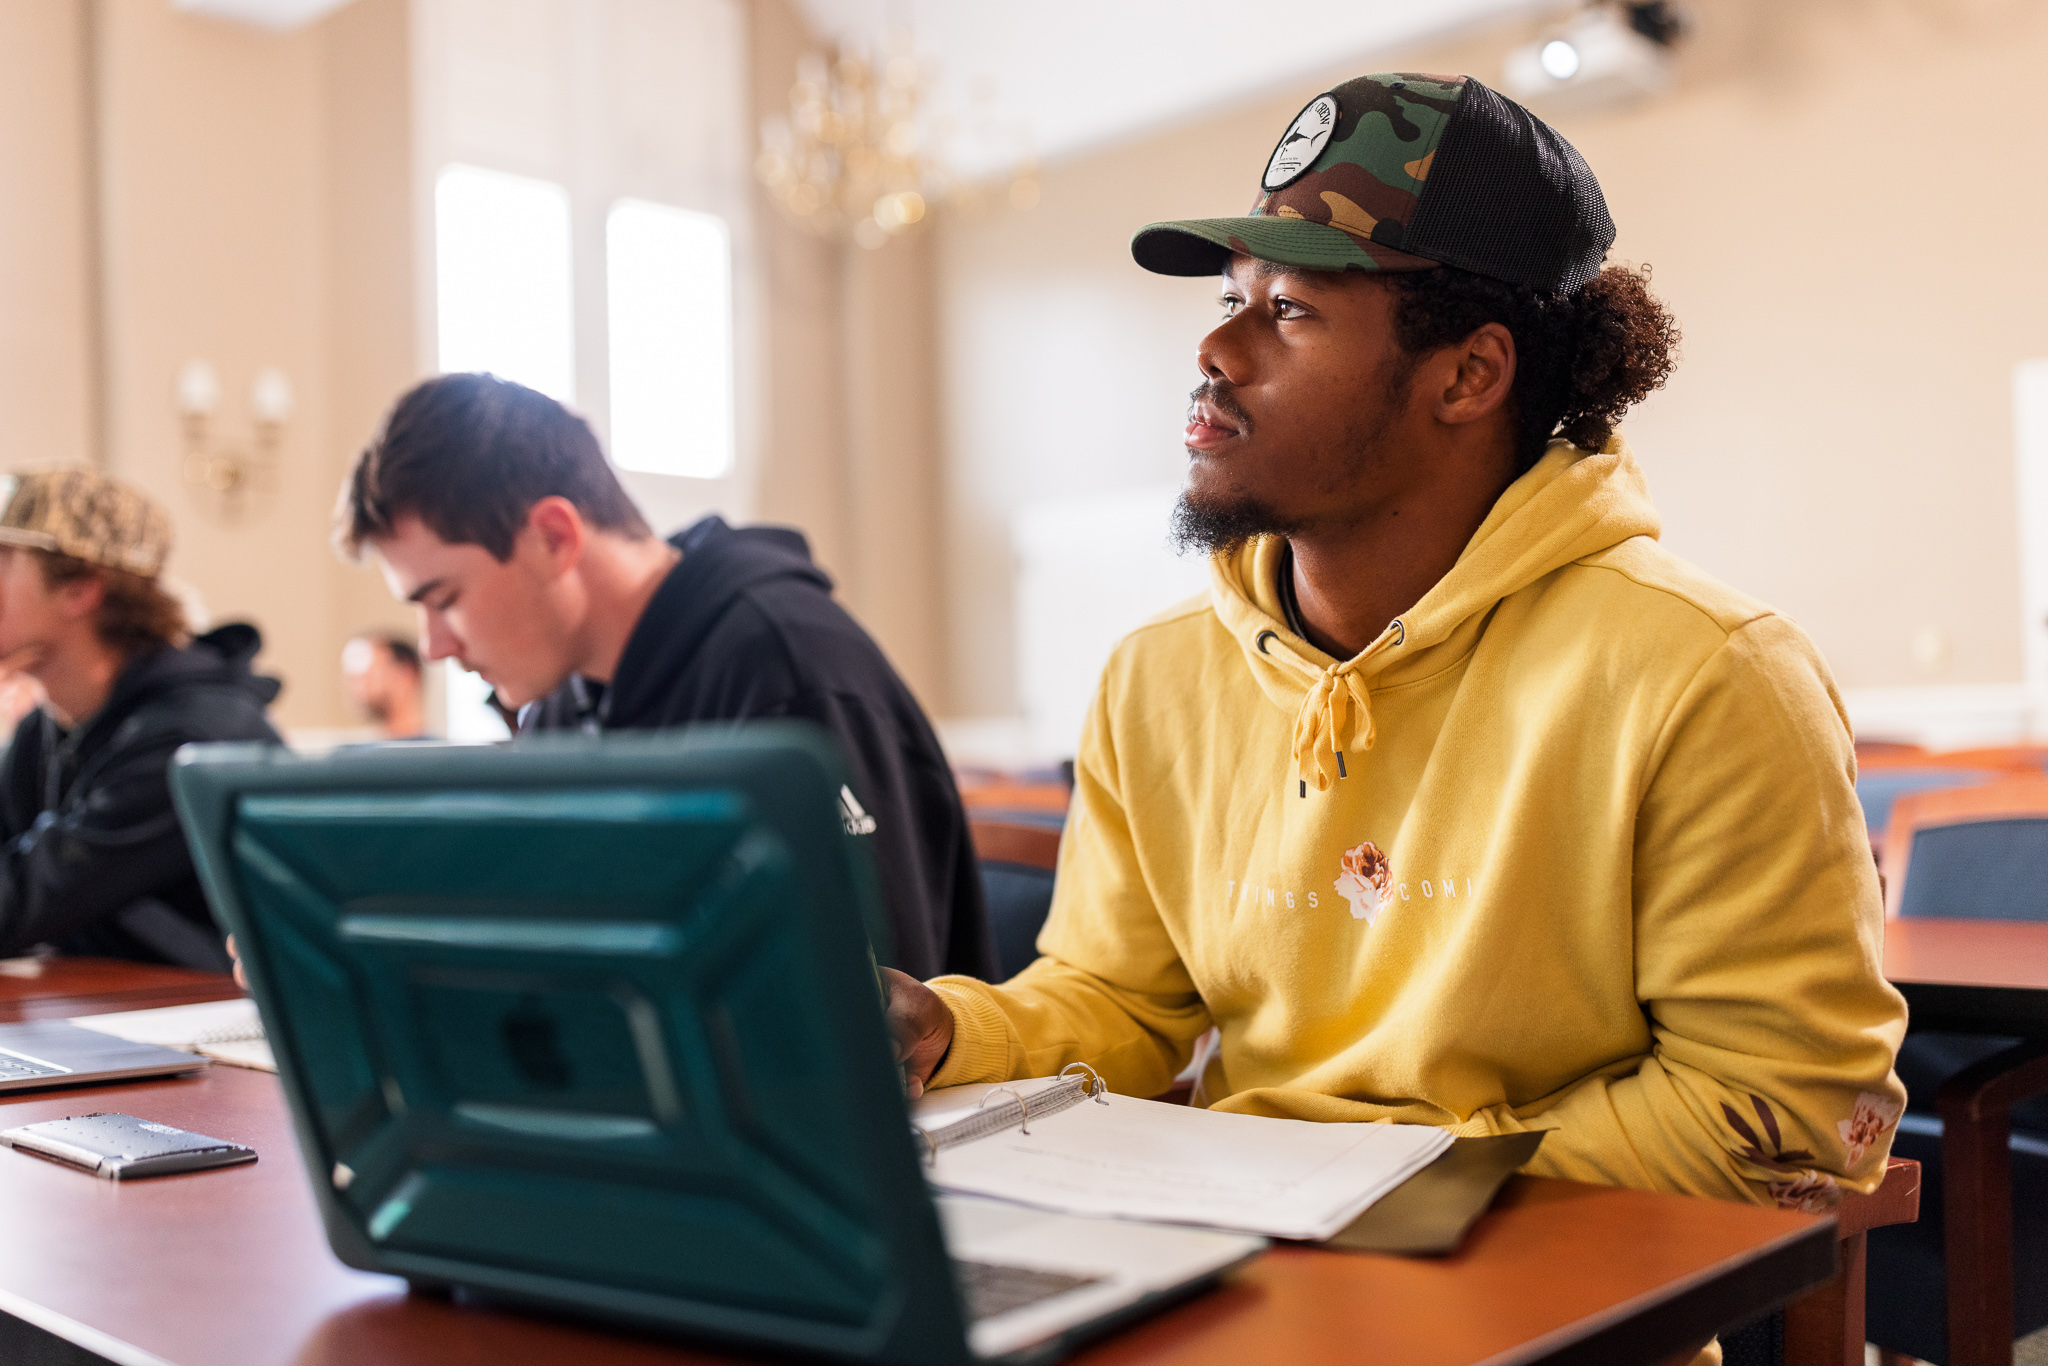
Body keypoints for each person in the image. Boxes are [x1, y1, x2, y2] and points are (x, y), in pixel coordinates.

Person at [882, 73, 1907, 1215]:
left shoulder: (1706, 673)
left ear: (1466, 375)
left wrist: (1371, 1187)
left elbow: (1780, 1103)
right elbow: (1120, 1002)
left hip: (1543, 1298)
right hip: (1248, 1262)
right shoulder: (1156, 675)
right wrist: (952, 1027)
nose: (1215, 348)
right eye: (1229, 296)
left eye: (1288, 311)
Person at [336, 373, 995, 981]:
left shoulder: (791, 671)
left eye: (445, 598)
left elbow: (874, 1014)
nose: (433, 646)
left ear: (555, 538)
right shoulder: (564, 705)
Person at [0, 469, 280, 969]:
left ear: (80, 588)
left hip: (203, 1033)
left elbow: (19, 903)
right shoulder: (43, 730)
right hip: (100, 1019)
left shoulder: (190, 737)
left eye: (2, 561)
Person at [342, 631, 426, 739]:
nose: (357, 687)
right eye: (352, 678)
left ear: (406, 673)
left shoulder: (440, 753)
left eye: (368, 675)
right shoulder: (352, 753)